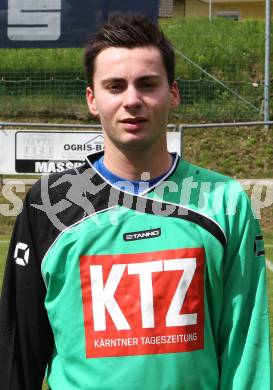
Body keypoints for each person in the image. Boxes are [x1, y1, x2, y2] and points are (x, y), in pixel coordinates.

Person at [0, 13, 272, 390]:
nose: (132, 100)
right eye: (115, 86)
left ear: (173, 93)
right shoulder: (47, 204)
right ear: (92, 100)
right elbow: (18, 352)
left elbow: (246, 351)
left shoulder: (225, 202)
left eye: (147, 84)